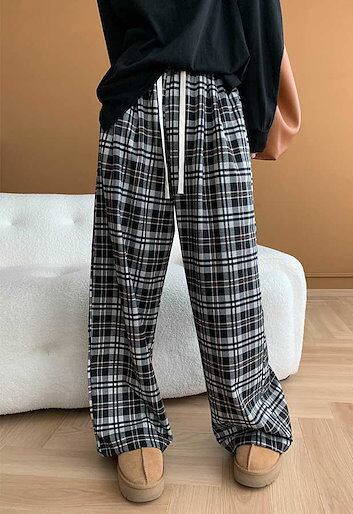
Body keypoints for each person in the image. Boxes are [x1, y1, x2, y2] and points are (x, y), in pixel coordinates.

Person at [88, 0, 293, 503]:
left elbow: (260, 16)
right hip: (135, 102)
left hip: (216, 101)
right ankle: (129, 423)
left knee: (229, 280)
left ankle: (251, 414)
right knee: (124, 282)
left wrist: (255, 119)